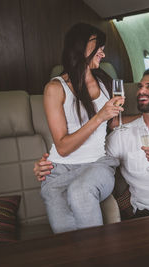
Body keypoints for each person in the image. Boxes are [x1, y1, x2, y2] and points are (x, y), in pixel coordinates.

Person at [35, 68, 149, 218]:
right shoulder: (121, 136)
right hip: (146, 212)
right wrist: (52, 163)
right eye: (140, 86)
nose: (141, 91)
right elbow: (90, 160)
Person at [39, 23, 129, 234]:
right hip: (58, 171)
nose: (103, 52)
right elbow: (62, 147)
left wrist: (147, 117)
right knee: (67, 237)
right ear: (80, 47)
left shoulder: (105, 81)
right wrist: (99, 117)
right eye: (98, 46)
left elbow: (114, 123)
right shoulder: (55, 88)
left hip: (96, 165)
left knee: (80, 191)